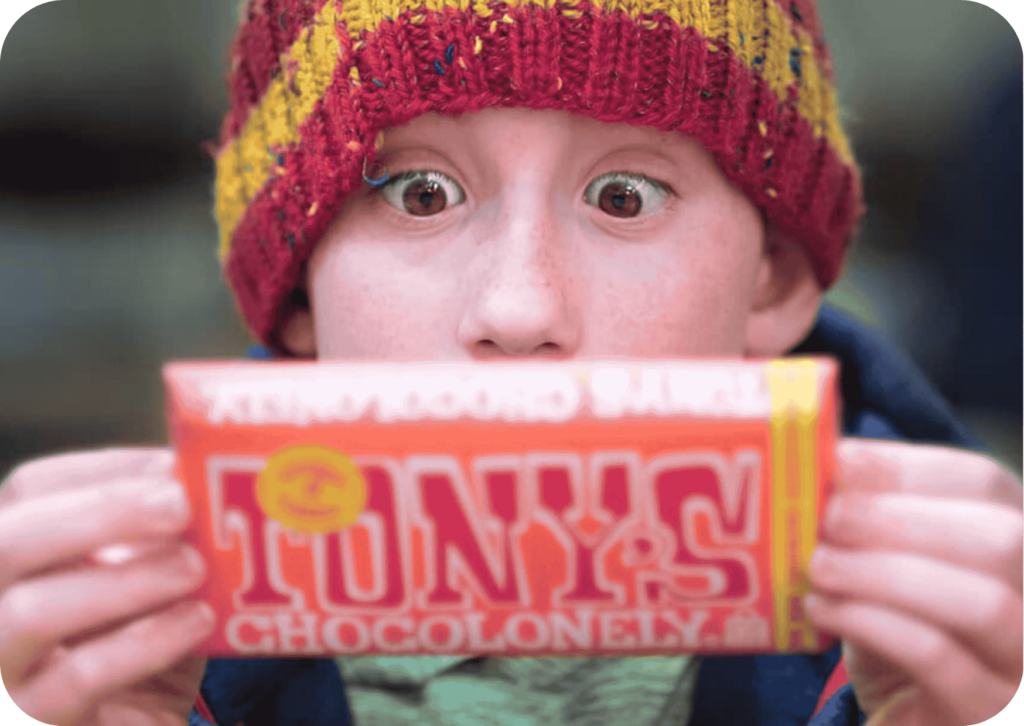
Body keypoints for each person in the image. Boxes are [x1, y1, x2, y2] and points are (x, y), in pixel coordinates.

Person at [1, 2, 1020, 725]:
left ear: (773, 281)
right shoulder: (121, 661)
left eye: (624, 195)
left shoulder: (962, 657)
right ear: (301, 297)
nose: (519, 309)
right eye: (417, 195)